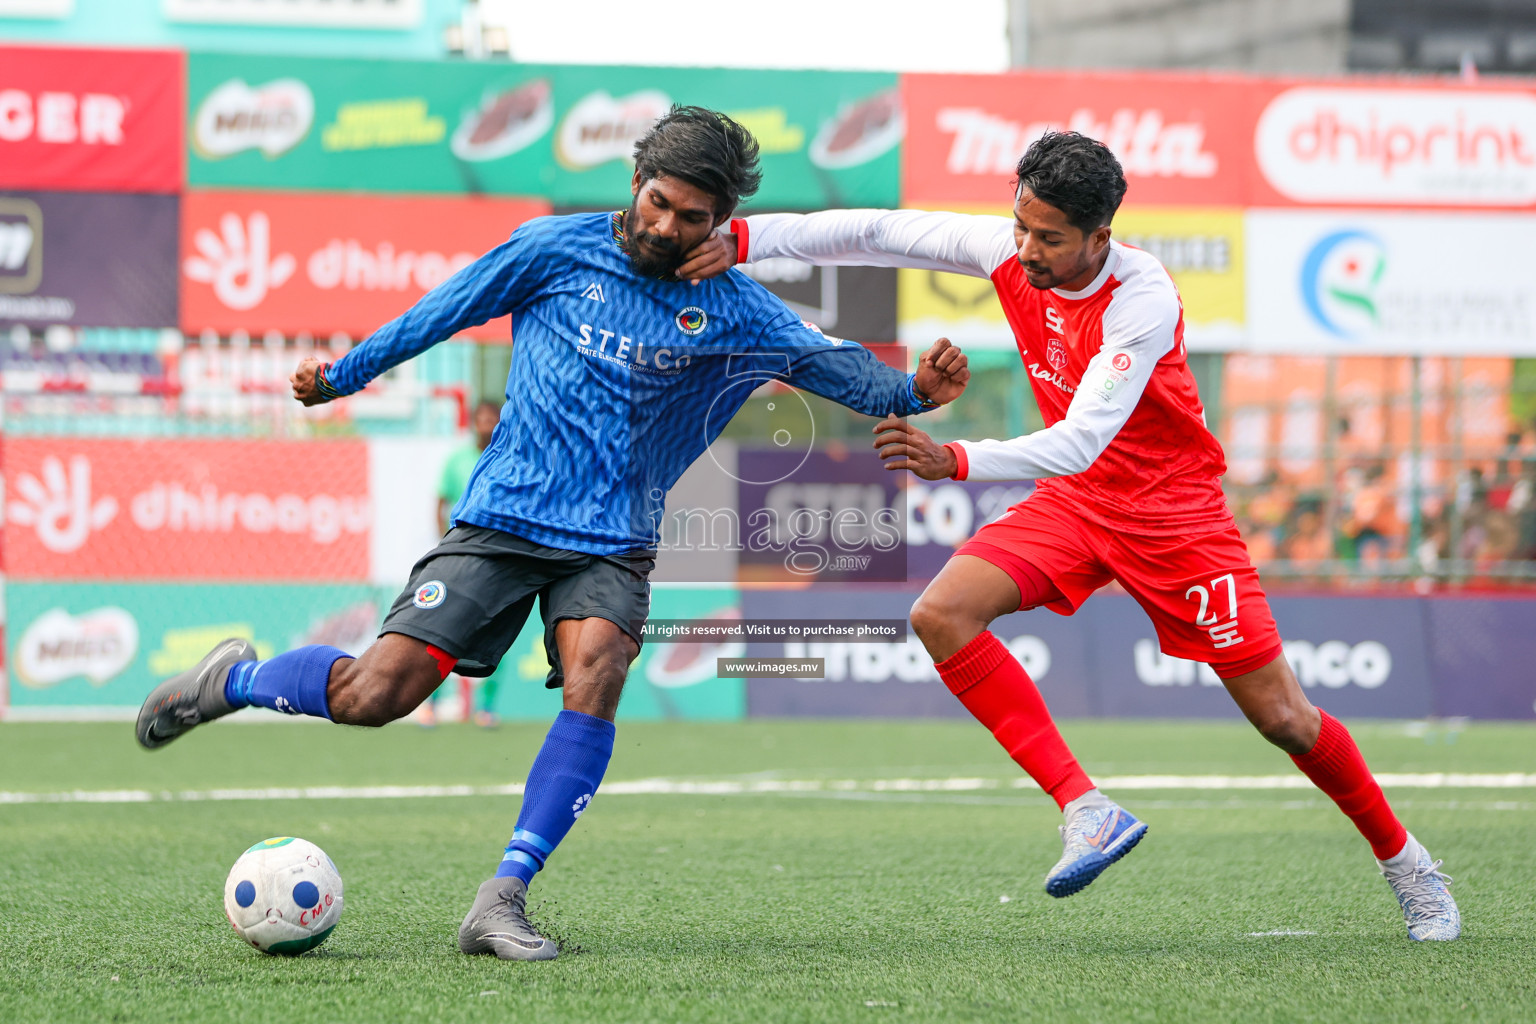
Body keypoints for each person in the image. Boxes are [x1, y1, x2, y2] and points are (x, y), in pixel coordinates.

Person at [134, 106, 971, 960]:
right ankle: (234, 681)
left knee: (598, 669)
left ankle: (503, 896)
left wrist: (917, 390)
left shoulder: (736, 308)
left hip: (613, 542)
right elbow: (443, 311)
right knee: (374, 697)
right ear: (635, 180)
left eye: (692, 217)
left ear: (722, 224)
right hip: (502, 523)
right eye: (657, 202)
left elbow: (844, 373)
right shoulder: (551, 249)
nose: (667, 226)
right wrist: (343, 376)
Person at [678, 130, 1459, 941]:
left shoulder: (1142, 300)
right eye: (1021, 226)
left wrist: (957, 458)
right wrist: (745, 239)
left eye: (1049, 238)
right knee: (940, 615)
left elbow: (1084, 435)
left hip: (1173, 517)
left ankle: (1410, 866)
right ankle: (1087, 810)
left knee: (1285, 719)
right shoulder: (1008, 251)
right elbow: (876, 231)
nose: (1026, 249)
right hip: (1080, 503)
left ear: (1101, 236)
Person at [421, 399, 505, 728]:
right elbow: (440, 502)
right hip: (460, 553)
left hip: (499, 556)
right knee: (442, 626)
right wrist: (445, 542)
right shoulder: (457, 460)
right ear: (472, 422)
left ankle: (487, 708)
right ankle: (431, 703)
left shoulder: (508, 457)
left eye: (492, 419)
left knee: (499, 630)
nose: (486, 425)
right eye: (481, 418)